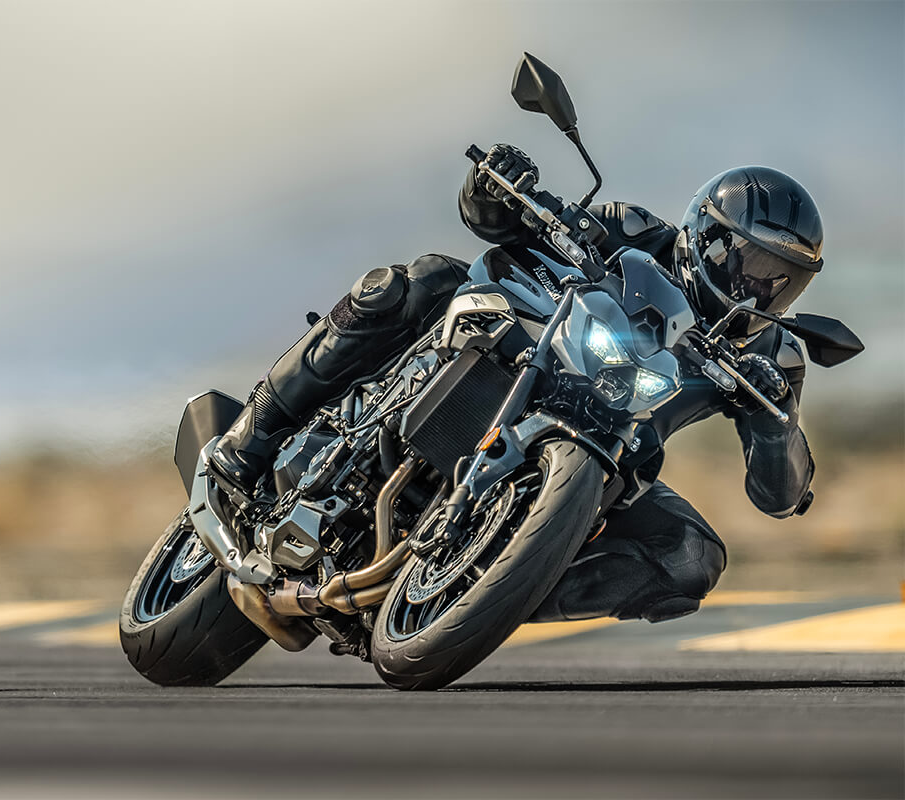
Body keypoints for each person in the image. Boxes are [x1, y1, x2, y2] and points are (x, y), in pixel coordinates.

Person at [209, 144, 822, 623]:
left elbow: (780, 495)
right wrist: (496, 186)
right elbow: (498, 223)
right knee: (417, 282)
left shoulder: (771, 355)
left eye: (781, 280)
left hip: (611, 453)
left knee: (692, 554)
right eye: (751, 265)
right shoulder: (635, 231)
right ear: (709, 239)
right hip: (525, 353)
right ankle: (253, 434)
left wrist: (778, 424)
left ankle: (486, 593)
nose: (758, 290)